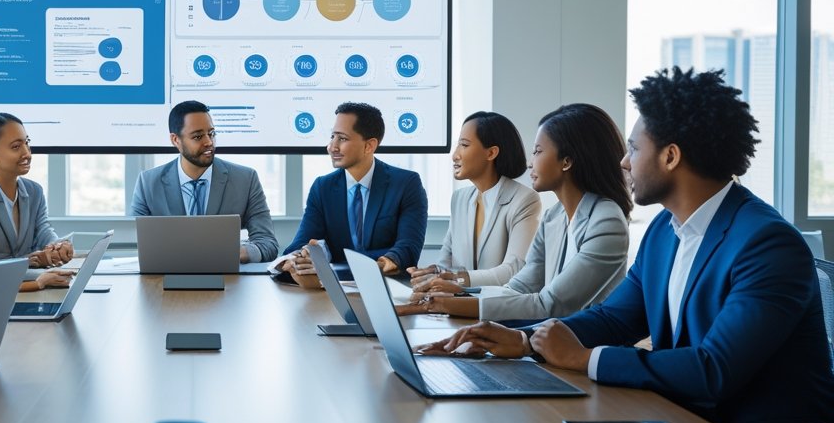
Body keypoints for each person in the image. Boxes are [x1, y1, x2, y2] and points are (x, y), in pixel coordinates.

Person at [423, 69, 834, 423]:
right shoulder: (664, 231)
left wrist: (584, 358)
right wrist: (527, 339)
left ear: (670, 157)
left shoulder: (765, 242)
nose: (623, 161)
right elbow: (615, 317)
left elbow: (715, 369)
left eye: (634, 148)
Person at [398, 103, 630, 321]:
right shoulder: (554, 217)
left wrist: (445, 303)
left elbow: (552, 304)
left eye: (538, 152)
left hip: (581, 353)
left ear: (566, 161)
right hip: (546, 341)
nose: (531, 163)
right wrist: (457, 293)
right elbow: (519, 287)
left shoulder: (605, 219)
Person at [281, 102, 427, 279]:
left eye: (342, 138)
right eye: (332, 137)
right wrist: (302, 256)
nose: (332, 147)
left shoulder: (405, 184)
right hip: (332, 292)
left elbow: (407, 250)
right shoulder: (322, 187)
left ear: (369, 146)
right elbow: (300, 243)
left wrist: (333, 263)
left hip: (389, 287)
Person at [130, 100, 279, 264]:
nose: (209, 142)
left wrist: (235, 252)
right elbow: (141, 246)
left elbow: (268, 244)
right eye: (198, 136)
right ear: (175, 140)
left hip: (228, 283)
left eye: (211, 133)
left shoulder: (246, 179)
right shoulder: (148, 183)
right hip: (166, 281)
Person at [408, 111, 541, 288]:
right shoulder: (460, 199)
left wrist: (456, 279)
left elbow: (513, 270)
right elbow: (446, 262)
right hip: (458, 304)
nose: (455, 155)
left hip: (498, 309)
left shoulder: (524, 199)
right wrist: (431, 274)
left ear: (491, 153)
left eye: (464, 145)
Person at [0, 111, 74, 292]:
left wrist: (57, 246)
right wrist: (32, 269)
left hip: (28, 293)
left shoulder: (34, 191)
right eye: (16, 147)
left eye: (27, 143)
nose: (26, 153)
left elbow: (44, 232)